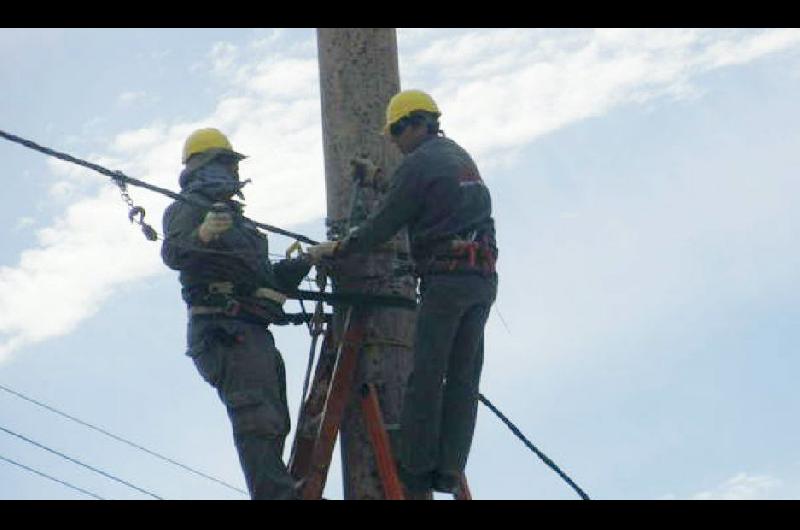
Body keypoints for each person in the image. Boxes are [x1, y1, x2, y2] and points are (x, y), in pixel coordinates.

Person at [308, 90, 498, 495]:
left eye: (395, 132)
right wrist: (380, 179)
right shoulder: (458, 157)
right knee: (463, 378)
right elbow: (421, 196)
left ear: (413, 124)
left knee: (427, 375)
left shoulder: (418, 165)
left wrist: (339, 248)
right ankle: (448, 470)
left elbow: (385, 223)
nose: (394, 141)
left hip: (445, 283)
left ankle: (415, 465)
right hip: (481, 281)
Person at [161, 128, 311, 500]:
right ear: (202, 166)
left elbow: (265, 280)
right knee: (257, 418)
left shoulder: (242, 225)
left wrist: (308, 261)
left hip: (249, 329)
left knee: (275, 418)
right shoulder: (188, 208)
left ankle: (280, 488)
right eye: (225, 163)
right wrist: (204, 235)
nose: (231, 172)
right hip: (222, 329)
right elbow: (174, 253)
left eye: (232, 165)